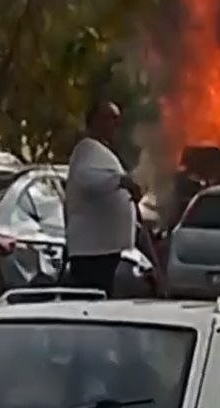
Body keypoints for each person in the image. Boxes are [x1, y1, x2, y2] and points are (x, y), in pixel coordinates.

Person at [63, 99, 143, 297]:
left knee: (101, 297)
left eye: (117, 119)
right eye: (109, 118)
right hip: (91, 251)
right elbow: (87, 180)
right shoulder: (86, 148)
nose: (115, 124)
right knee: (89, 300)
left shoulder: (100, 150)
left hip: (103, 249)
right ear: (95, 121)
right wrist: (121, 181)